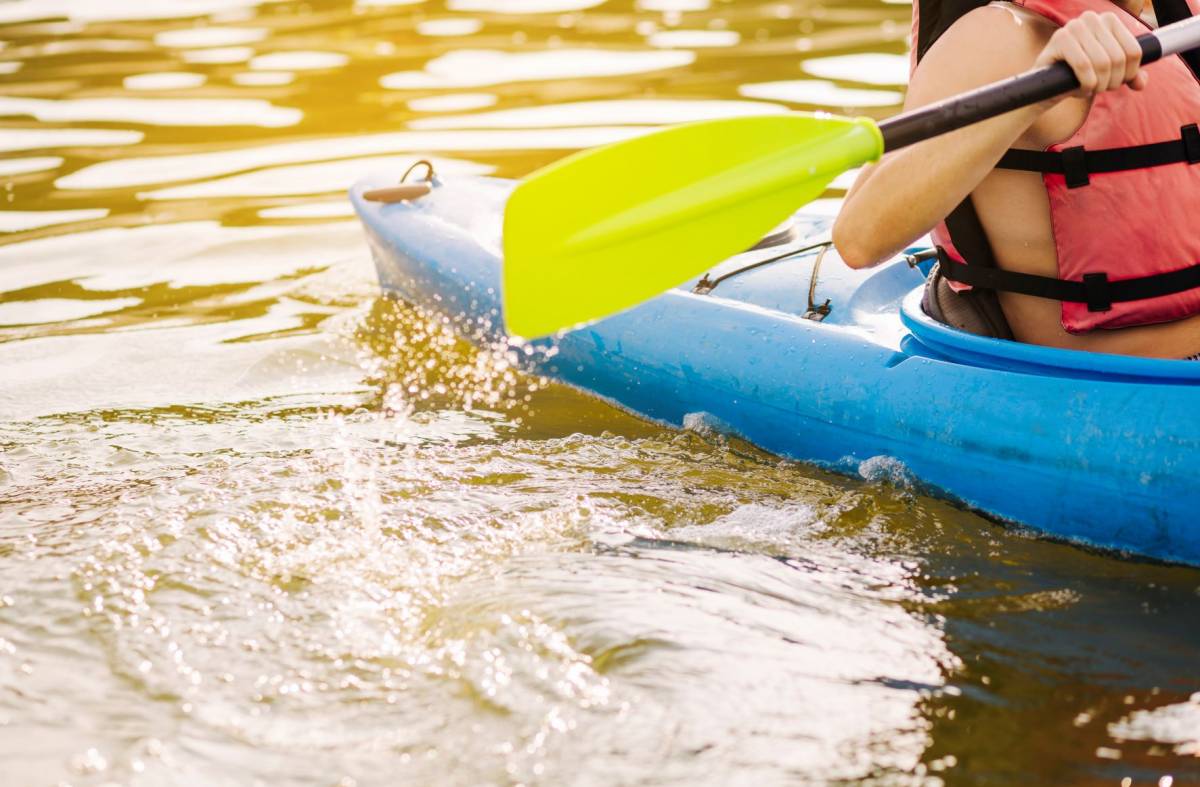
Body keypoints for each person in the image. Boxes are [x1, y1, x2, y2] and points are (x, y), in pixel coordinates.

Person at [833, 0, 1200, 358]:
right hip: (1113, 387)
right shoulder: (997, 38)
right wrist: (1033, 96)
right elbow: (860, 238)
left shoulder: (1177, 17)